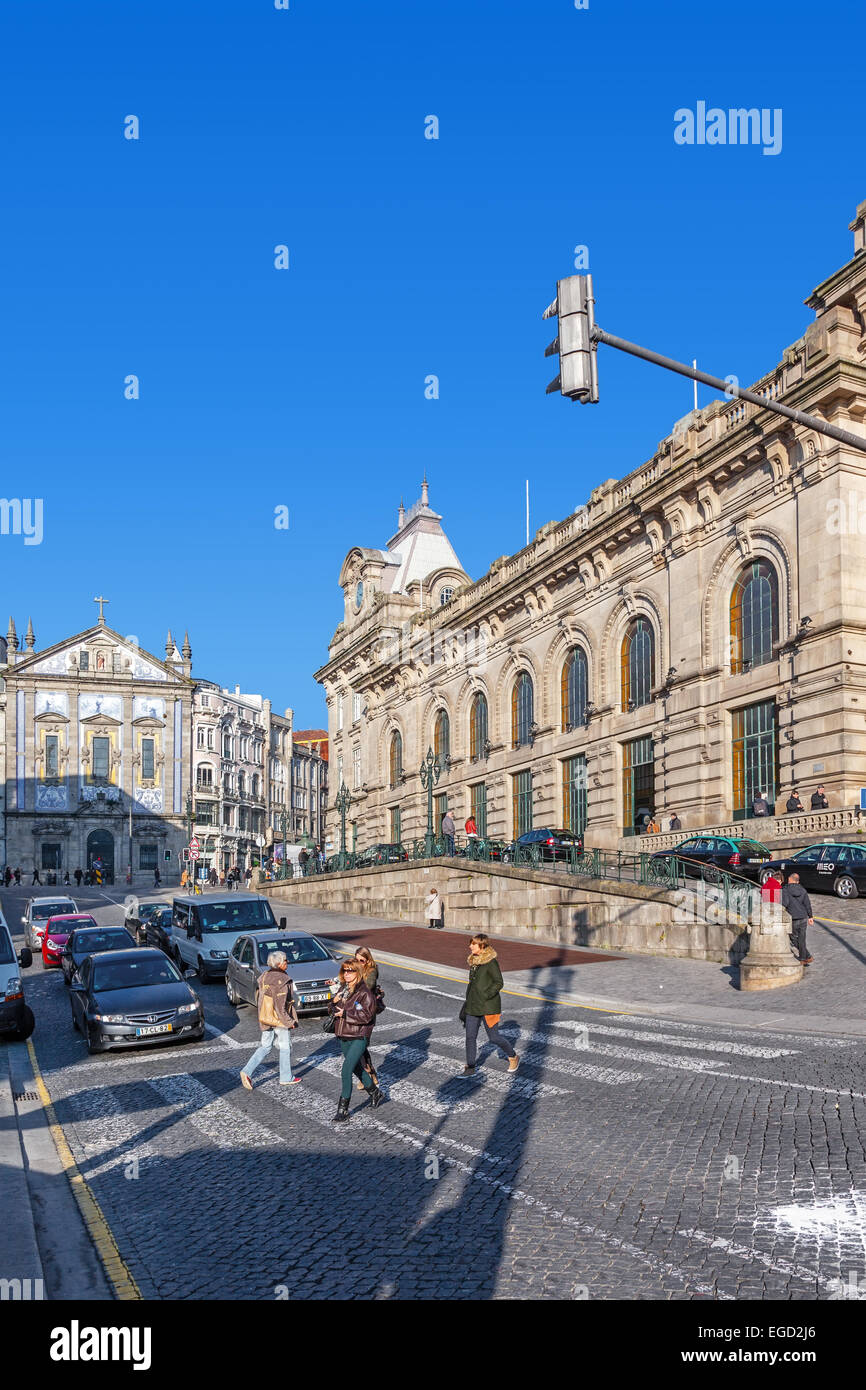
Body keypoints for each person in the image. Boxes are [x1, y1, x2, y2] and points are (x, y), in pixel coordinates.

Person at [328, 960, 383, 1121]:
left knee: (346, 1069)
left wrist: (344, 1014)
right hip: (343, 1034)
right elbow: (331, 1010)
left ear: (357, 973)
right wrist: (333, 1002)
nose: (346, 973)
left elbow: (366, 1016)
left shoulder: (365, 993)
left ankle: (343, 1109)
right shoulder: (343, 989)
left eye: (350, 971)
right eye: (344, 970)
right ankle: (375, 1092)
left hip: (359, 1036)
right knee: (356, 1068)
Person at [459, 934, 519, 1077]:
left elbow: (499, 982)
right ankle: (471, 1067)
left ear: (482, 945)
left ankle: (513, 1056)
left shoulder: (491, 962)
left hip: (488, 1006)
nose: (470, 946)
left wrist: (485, 995)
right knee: (470, 1037)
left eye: (473, 944)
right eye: (471, 944)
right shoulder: (474, 961)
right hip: (473, 1005)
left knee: (494, 1038)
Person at [240, 950, 300, 1089]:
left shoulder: (265, 976)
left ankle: (246, 1071)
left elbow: (262, 999)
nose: (287, 962)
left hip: (265, 1017)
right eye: (285, 960)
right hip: (279, 1020)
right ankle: (286, 1077)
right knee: (285, 1047)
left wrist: (262, 1018)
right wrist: (289, 1022)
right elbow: (280, 1006)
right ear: (279, 963)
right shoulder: (281, 980)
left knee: (265, 1046)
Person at [353, 947, 381, 1088]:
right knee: (359, 1045)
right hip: (355, 1011)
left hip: (367, 1013)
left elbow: (368, 986)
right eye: (357, 960)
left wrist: (355, 980)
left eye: (362, 960)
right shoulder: (355, 969)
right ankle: (370, 1073)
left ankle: (367, 1075)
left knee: (361, 1044)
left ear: (368, 959)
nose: (359, 963)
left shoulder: (371, 970)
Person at [781, 871, 814, 966]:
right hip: (803, 917)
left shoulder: (785, 890)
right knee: (802, 938)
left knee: (792, 937)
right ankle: (805, 957)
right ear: (798, 881)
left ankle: (805, 956)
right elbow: (807, 904)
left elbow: (785, 903)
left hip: (793, 917)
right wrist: (810, 916)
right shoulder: (803, 890)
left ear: (789, 880)